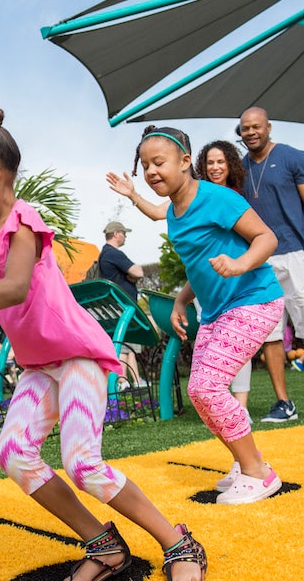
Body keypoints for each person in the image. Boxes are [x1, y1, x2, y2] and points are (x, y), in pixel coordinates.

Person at [0, 106, 206, 581]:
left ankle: (179, 544)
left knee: (83, 463)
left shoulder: (24, 219)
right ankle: (105, 545)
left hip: (76, 354)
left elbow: (14, 287)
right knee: (12, 454)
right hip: (39, 365)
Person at [127, 125, 284, 506]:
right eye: (144, 165)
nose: (150, 171)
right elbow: (199, 264)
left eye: (158, 162)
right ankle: (246, 462)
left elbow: (267, 238)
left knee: (207, 386)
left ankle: (259, 473)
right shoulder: (176, 214)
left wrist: (239, 263)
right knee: (200, 392)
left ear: (184, 162)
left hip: (253, 299)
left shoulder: (217, 198)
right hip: (216, 311)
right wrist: (181, 300)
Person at [107, 140, 253, 413]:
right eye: (209, 162)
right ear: (199, 165)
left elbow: (262, 237)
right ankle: (227, 411)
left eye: (221, 161)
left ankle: (240, 408)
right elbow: (157, 214)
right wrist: (133, 195)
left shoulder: (228, 198)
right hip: (208, 295)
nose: (215, 167)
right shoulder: (183, 203)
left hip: (241, 293)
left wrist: (241, 263)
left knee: (228, 355)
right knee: (206, 374)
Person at [239, 106, 304, 423]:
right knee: (269, 333)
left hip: (298, 254)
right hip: (260, 259)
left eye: (256, 127)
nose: (250, 132)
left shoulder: (294, 157)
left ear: (268, 127)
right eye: (244, 129)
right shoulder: (239, 169)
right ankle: (284, 404)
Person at [98, 221, 146, 389]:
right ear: (116, 233)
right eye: (124, 233)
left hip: (120, 306)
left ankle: (130, 381)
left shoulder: (105, 254)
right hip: (123, 307)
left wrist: (131, 275)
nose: (125, 236)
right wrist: (132, 274)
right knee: (124, 346)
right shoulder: (113, 253)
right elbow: (138, 272)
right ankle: (122, 381)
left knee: (128, 346)